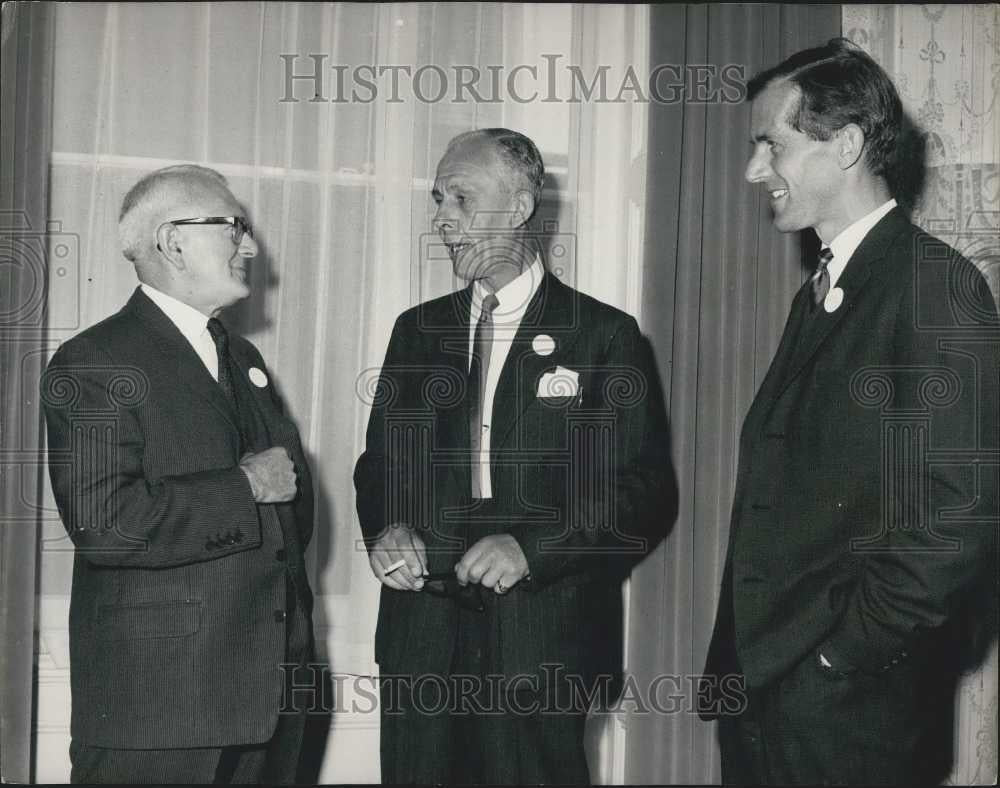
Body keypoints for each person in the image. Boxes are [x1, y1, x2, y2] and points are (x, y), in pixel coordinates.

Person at [702, 38, 999, 785]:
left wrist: (840, 658)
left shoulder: (937, 286)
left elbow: (960, 514)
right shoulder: (827, 286)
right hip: (774, 699)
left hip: (850, 713)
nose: (752, 171)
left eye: (772, 146)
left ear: (848, 145)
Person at [354, 128, 676, 784]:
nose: (442, 218)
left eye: (462, 199)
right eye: (438, 199)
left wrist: (534, 547)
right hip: (423, 642)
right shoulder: (416, 331)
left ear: (522, 207)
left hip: (542, 643)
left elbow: (644, 491)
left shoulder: (603, 337)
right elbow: (379, 466)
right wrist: (385, 530)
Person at [41, 165, 315, 784]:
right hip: (160, 713)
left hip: (264, 700)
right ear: (173, 241)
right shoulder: (93, 361)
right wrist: (243, 487)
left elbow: (292, 507)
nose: (250, 246)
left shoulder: (241, 357)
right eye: (234, 228)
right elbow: (109, 526)